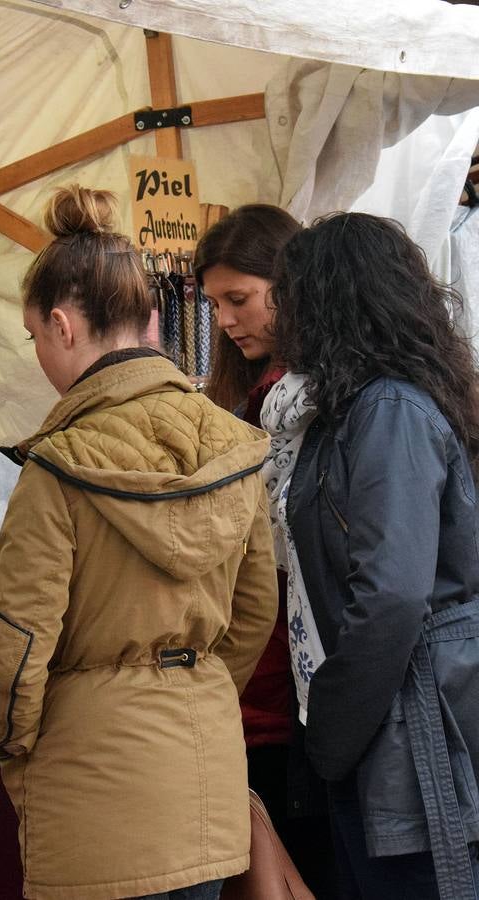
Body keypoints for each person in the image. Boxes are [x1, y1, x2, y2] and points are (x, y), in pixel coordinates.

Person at [0, 185, 279, 900]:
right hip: (203, 778)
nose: (39, 355)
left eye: (35, 338)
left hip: (90, 790)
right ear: (148, 321)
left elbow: (16, 647)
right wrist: (192, 688)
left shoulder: (57, 466)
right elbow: (256, 608)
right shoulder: (235, 445)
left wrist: (10, 752)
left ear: (61, 325)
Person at [272, 212, 479, 899]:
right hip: (386, 729)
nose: (281, 319)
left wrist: (332, 726)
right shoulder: (356, 409)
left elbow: (391, 595)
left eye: (291, 299)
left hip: (407, 737)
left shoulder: (389, 410)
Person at [195, 204, 337, 897]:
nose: (226, 319)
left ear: (290, 286)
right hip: (258, 681)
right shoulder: (245, 398)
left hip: (295, 685)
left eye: (239, 299)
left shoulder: (319, 400)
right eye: (216, 303)